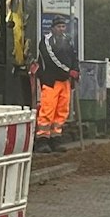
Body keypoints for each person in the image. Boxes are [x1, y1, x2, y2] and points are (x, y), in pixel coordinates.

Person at [36, 17, 79, 146]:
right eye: (59, 27)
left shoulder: (68, 40)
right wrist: (68, 71)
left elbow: (73, 56)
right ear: (53, 28)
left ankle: (56, 138)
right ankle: (42, 140)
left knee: (62, 111)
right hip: (51, 80)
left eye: (63, 26)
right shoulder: (46, 41)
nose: (61, 29)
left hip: (65, 81)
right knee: (48, 109)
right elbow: (51, 59)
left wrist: (76, 71)